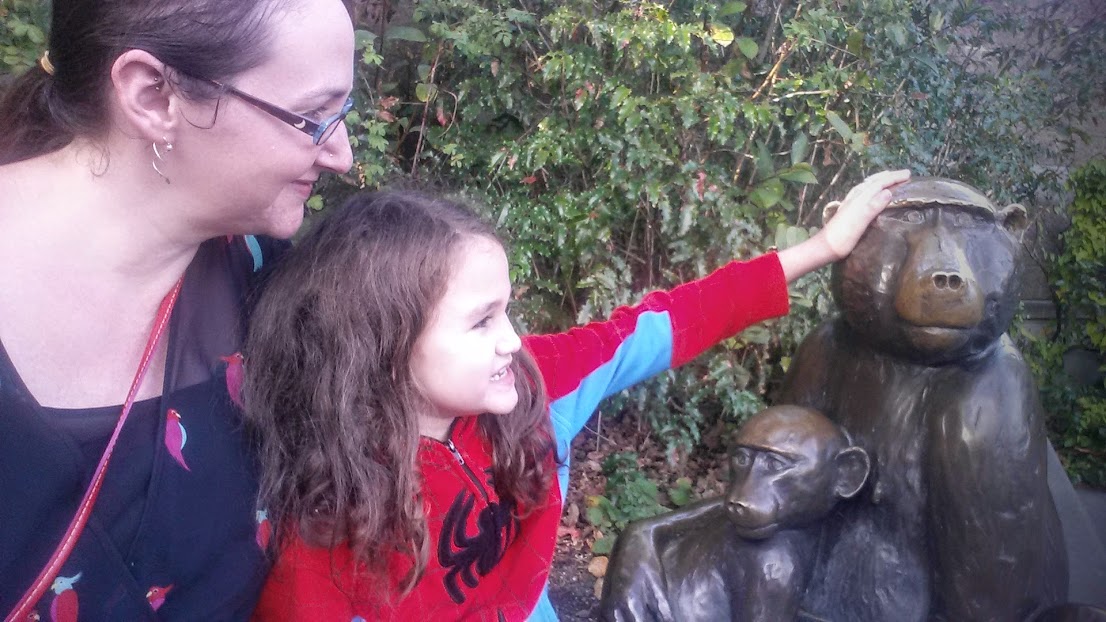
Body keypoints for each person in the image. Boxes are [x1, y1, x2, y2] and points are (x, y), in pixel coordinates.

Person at [244, 171, 910, 621]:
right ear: (383, 348)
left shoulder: (532, 387)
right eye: (482, 321)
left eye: (507, 310)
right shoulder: (325, 511)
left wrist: (822, 248)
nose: (513, 340)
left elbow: (663, 324)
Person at [0, 0, 356, 618]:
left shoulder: (263, 279)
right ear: (153, 96)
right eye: (312, 117)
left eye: (341, 114)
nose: (342, 155)